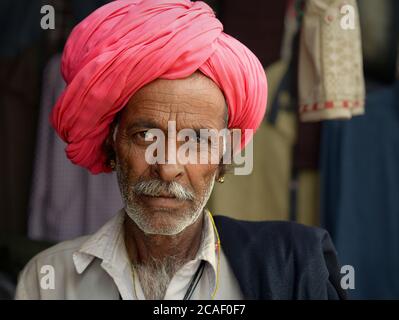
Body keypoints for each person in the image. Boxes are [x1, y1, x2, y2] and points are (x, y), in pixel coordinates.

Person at [15, 0, 345, 300]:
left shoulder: (295, 266)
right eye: (145, 135)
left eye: (196, 141)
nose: (168, 165)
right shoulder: (50, 281)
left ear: (224, 160)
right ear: (111, 145)